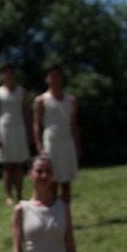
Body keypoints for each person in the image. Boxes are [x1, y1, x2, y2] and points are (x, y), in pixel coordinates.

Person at [33, 65, 80, 202]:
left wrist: (77, 144)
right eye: (52, 76)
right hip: (51, 142)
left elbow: (74, 124)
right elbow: (36, 124)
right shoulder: (41, 100)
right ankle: (52, 214)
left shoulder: (70, 100)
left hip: (67, 141)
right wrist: (39, 145)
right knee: (51, 180)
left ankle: (65, 215)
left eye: (58, 76)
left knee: (66, 180)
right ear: (47, 79)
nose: (55, 79)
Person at [0, 64, 32, 205]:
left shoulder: (22, 92)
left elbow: (26, 112)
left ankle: (20, 194)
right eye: (6, 73)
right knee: (7, 166)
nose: (9, 76)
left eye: (11, 73)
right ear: (2, 76)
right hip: (5, 130)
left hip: (19, 129)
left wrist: (29, 132)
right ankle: (9, 195)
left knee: (19, 164)